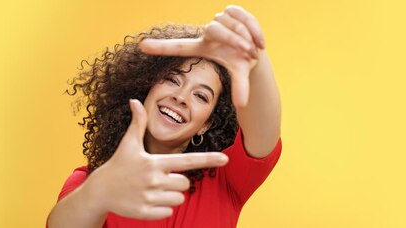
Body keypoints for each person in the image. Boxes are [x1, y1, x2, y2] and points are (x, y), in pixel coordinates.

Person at [47, 5, 282, 228]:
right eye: (172, 80)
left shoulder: (226, 179)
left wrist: (256, 63)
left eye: (201, 96)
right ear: (145, 89)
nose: (181, 97)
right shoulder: (91, 182)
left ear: (206, 125)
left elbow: (264, 131)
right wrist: (98, 192)